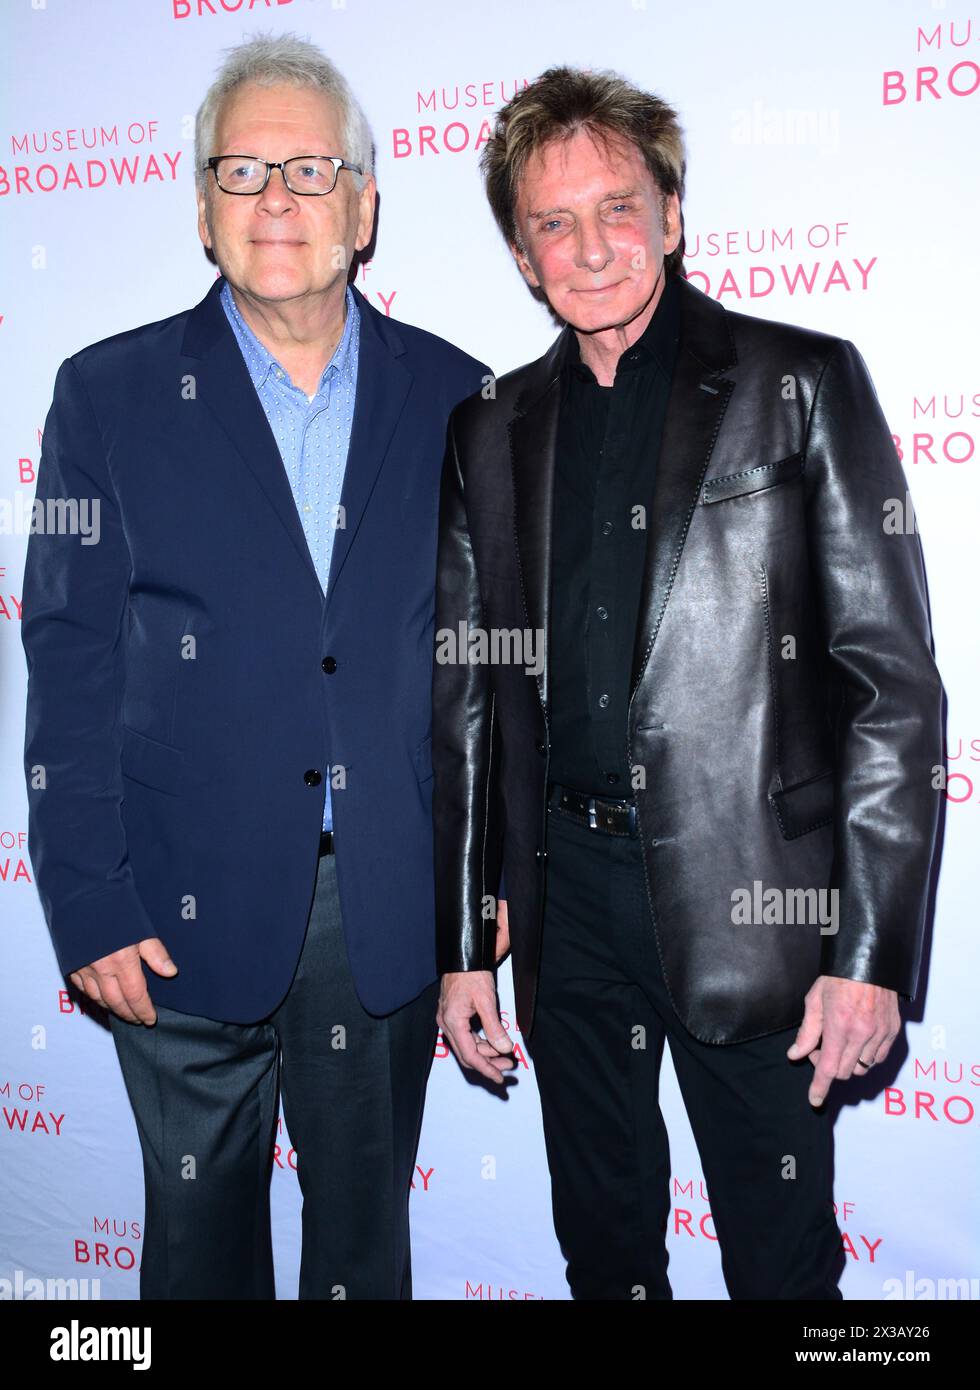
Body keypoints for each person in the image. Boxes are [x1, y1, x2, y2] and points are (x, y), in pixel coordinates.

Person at [432, 65, 944, 1300]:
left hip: (755, 910)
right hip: (566, 910)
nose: (590, 246)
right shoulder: (487, 427)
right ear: (518, 250)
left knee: (780, 1268)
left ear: (671, 212)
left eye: (617, 207)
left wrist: (867, 956)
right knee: (604, 1252)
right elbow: (463, 700)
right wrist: (462, 944)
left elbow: (889, 686)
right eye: (552, 222)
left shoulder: (798, 380)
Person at [22, 32, 487, 1300]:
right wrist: (86, 895)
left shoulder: (460, 397)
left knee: (359, 1249)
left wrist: (483, 898)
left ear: (365, 204)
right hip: (171, 900)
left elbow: (482, 679)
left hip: (383, 898)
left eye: (309, 168)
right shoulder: (107, 394)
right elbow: (64, 654)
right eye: (242, 171)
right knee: (197, 1254)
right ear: (200, 207)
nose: (276, 198)